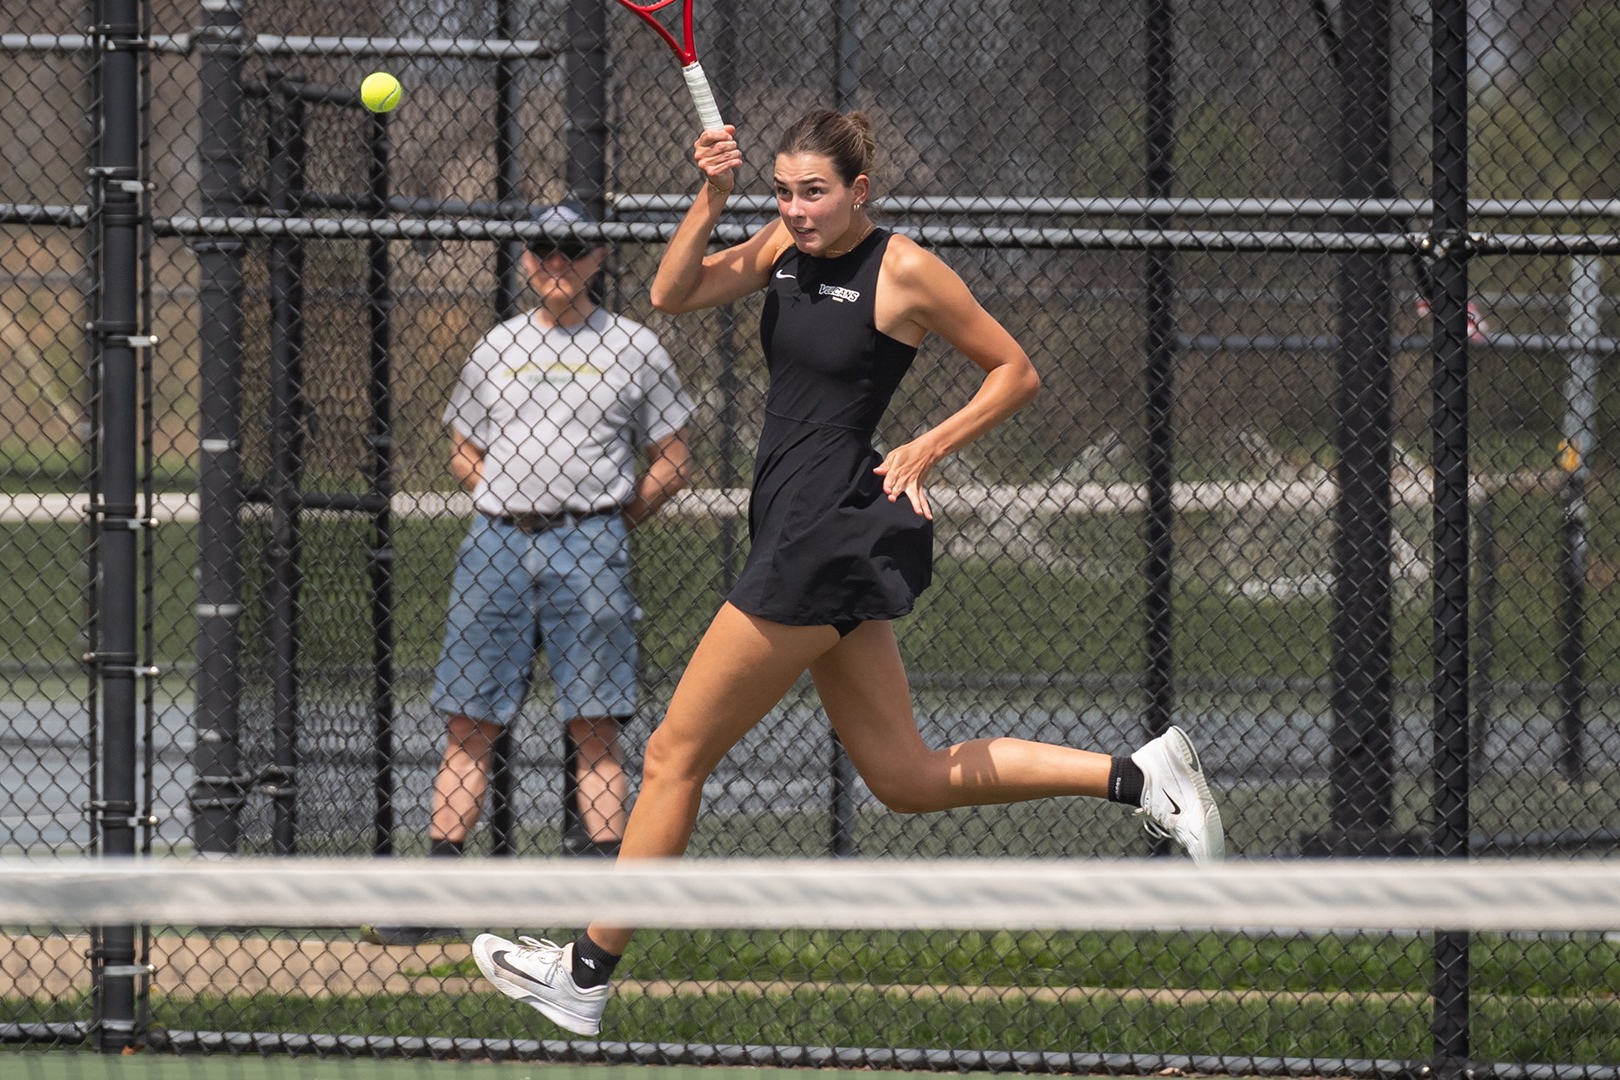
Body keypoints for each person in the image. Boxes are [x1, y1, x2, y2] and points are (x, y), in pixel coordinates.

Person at [469, 111, 1226, 1033]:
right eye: (782, 191)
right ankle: (1141, 778)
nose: (795, 208)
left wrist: (928, 444)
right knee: (905, 778)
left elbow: (1014, 372)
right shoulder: (782, 249)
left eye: (813, 192)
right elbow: (673, 293)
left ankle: (583, 974)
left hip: (821, 536)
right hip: (804, 531)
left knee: (673, 754)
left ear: (860, 191)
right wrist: (711, 198)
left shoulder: (901, 268)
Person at [363, 202, 695, 947]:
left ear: (597, 259)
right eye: (543, 251)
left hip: (592, 545)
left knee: (595, 726)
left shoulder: (634, 347)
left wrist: (609, 523)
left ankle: (613, 906)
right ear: (524, 259)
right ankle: (438, 893)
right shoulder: (496, 346)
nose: (556, 264)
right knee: (468, 725)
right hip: (496, 547)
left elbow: (673, 461)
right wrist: (500, 500)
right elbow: (462, 448)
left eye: (571, 252)